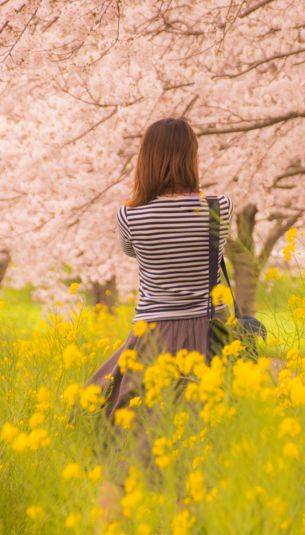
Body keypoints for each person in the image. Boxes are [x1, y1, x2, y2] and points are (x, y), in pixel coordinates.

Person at [86, 117, 232, 509]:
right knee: (196, 455)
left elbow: (132, 254)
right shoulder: (219, 208)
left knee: (122, 457)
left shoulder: (129, 217)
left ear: (146, 159)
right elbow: (215, 256)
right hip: (207, 337)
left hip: (149, 340)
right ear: (191, 157)